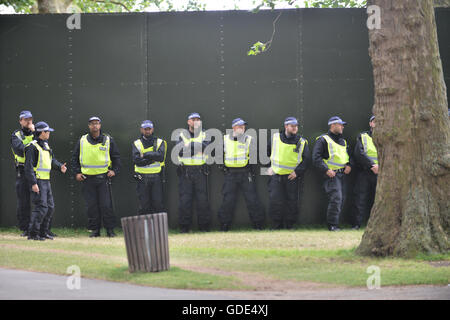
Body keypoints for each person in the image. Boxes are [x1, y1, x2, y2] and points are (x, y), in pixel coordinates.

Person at [71, 116, 121, 237]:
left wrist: (114, 170)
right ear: (89, 126)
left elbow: (116, 157)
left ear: (100, 125)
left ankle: (110, 230)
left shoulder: (108, 140)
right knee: (91, 206)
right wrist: (77, 172)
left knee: (106, 206)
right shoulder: (82, 140)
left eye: (97, 123)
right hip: (87, 179)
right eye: (92, 124)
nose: (95, 126)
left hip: (103, 179)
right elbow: (74, 158)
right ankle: (95, 230)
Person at [217, 118, 265, 231]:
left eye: (243, 126)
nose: (242, 128)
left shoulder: (249, 139)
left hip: (245, 173)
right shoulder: (224, 140)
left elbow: (253, 157)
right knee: (228, 200)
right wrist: (224, 169)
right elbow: (218, 155)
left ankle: (258, 225)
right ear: (233, 127)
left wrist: (249, 170)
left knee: (252, 200)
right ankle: (224, 226)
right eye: (240, 126)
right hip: (230, 174)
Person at [25, 122, 67, 240]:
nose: (49, 133)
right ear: (41, 132)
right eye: (47, 131)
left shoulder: (46, 145)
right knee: (41, 207)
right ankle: (33, 234)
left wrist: (60, 167)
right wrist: (33, 183)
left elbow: (51, 161)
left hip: (46, 181)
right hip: (38, 181)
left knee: (49, 207)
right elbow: (28, 168)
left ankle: (43, 232)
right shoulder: (32, 147)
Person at [267, 117, 310, 229]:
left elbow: (306, 160)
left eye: (296, 126)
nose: (295, 128)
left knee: (292, 202)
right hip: (276, 176)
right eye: (292, 126)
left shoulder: (302, 141)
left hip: (292, 177)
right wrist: (269, 167)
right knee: (275, 201)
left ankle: (290, 225)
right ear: (286, 126)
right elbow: (267, 153)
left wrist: (297, 172)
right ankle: (276, 225)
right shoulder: (275, 138)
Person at [313, 116, 353, 231]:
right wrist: (326, 169)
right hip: (331, 175)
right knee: (336, 198)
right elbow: (316, 158)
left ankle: (336, 224)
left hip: (342, 175)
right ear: (332, 125)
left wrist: (350, 165)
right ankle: (332, 225)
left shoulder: (343, 141)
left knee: (342, 199)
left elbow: (349, 157)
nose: (342, 127)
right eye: (340, 124)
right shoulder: (323, 140)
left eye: (342, 125)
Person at [176, 112, 212, 233]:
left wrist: (189, 146)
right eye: (193, 119)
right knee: (185, 201)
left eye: (198, 119)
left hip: (201, 172)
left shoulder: (205, 134)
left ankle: (204, 228)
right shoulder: (181, 134)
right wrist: (197, 147)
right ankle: (184, 228)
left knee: (202, 200)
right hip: (185, 172)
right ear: (188, 122)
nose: (196, 121)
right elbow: (180, 152)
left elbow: (206, 148)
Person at [132, 120, 167, 215]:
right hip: (142, 178)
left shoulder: (160, 142)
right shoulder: (137, 143)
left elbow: (160, 157)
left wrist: (145, 155)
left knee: (158, 204)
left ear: (153, 129)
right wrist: (152, 158)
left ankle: (158, 229)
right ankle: (143, 229)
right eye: (145, 129)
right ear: (141, 130)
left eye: (149, 129)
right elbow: (137, 161)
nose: (147, 131)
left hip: (156, 177)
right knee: (144, 205)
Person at [10, 111, 35, 236]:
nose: (28, 121)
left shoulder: (37, 133)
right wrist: (33, 144)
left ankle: (39, 228)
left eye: (30, 119)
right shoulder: (16, 135)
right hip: (23, 171)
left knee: (41, 201)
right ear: (20, 121)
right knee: (24, 202)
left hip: (36, 171)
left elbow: (43, 148)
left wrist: (35, 133)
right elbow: (21, 150)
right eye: (25, 119)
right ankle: (25, 229)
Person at [352, 115, 378, 229]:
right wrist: (372, 165)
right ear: (370, 123)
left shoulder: (386, 138)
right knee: (360, 199)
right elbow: (359, 153)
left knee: (378, 200)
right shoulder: (362, 136)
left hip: (381, 173)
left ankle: (376, 226)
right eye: (374, 121)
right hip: (365, 172)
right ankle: (356, 224)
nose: (376, 123)